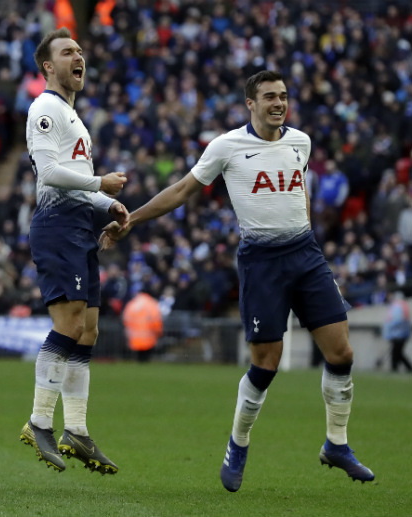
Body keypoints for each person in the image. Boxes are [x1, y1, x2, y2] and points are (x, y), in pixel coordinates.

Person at [100, 70, 374, 490]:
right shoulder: (226, 147)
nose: (278, 103)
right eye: (269, 97)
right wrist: (132, 220)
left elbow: (299, 191)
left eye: (283, 96)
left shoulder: (300, 142)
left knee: (341, 353)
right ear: (251, 103)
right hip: (261, 262)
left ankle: (336, 444)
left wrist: (306, 237)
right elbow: (181, 191)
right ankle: (238, 443)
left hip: (305, 253)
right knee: (266, 363)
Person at [18, 27, 129, 475]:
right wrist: (99, 184)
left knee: (88, 331)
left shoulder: (73, 116)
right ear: (48, 66)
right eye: (67, 52)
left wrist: (108, 205)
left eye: (80, 51)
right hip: (58, 226)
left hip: (80, 224)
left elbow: (77, 182)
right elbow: (49, 173)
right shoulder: (44, 108)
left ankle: (76, 430)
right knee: (69, 324)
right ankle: (39, 420)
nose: (77, 57)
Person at [122, 287, 163, 362]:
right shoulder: (152, 303)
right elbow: (156, 320)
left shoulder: (132, 303)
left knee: (138, 357)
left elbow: (126, 318)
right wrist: (158, 332)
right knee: (146, 358)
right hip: (148, 335)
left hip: (135, 335)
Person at [382, 292, 412, 372]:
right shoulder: (403, 306)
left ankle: (396, 367)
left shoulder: (396, 306)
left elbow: (394, 321)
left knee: (397, 352)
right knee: (397, 352)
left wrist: (389, 333)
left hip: (397, 334)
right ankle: (397, 367)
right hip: (402, 334)